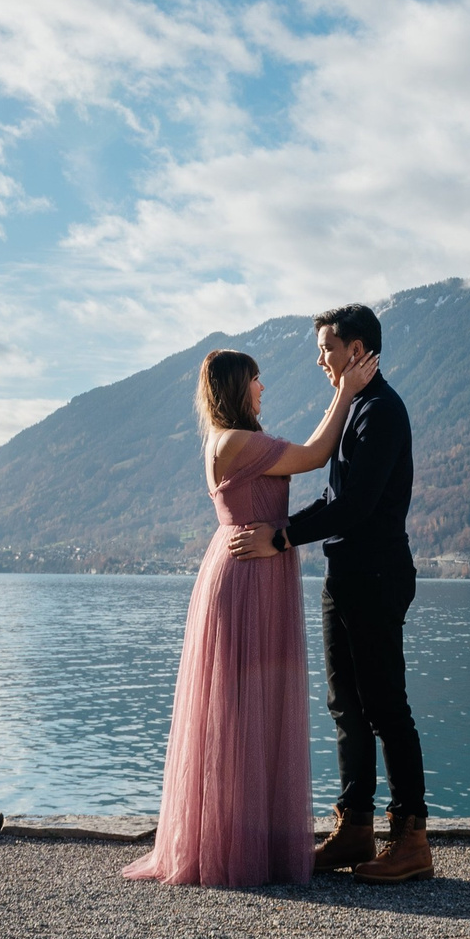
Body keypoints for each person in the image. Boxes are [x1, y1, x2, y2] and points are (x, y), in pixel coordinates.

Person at [122, 340, 379, 888]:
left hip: (244, 565)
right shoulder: (240, 441)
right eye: (257, 379)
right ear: (238, 387)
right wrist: (345, 391)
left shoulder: (223, 440)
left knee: (239, 709)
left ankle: (236, 838)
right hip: (250, 573)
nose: (265, 387)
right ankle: (241, 849)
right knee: (247, 708)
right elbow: (313, 456)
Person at [226, 304, 429, 883]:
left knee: (387, 708)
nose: (319, 359)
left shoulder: (382, 412)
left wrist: (284, 535)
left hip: (377, 575)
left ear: (358, 350)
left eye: (327, 349)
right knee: (348, 708)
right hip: (345, 574)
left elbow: (355, 505)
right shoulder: (358, 407)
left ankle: (411, 839)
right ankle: (357, 830)